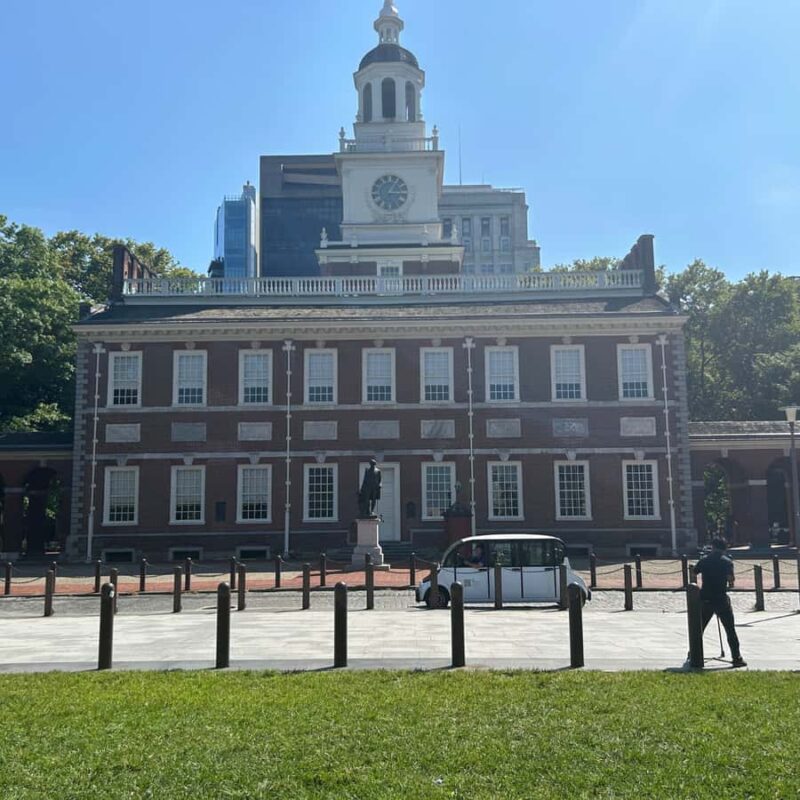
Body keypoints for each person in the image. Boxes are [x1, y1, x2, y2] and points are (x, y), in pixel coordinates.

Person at [693, 537, 746, 667]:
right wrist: (730, 583)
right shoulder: (727, 562)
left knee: (699, 628)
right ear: (724, 548)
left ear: (713, 547)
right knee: (730, 629)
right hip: (720, 598)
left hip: (706, 597)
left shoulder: (704, 560)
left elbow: (694, 572)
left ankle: (694, 653)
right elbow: (730, 578)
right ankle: (736, 657)